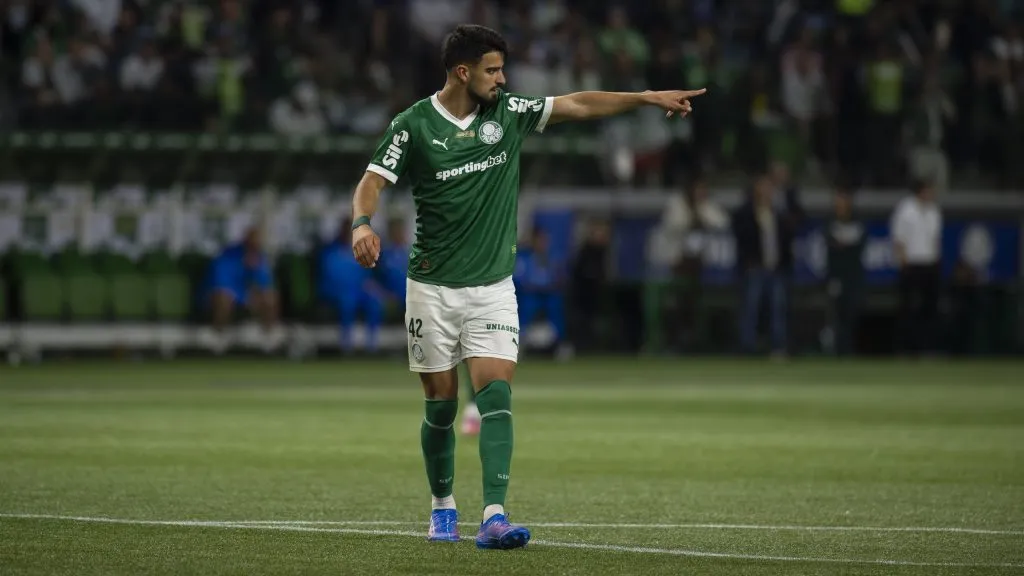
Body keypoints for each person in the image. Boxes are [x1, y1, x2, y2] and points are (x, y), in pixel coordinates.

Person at [348, 24, 705, 549]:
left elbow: (578, 105)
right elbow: (373, 181)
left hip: (492, 287)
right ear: (462, 72)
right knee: (441, 406)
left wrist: (644, 99)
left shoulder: (508, 113)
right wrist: (361, 223)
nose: (502, 78)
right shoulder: (415, 125)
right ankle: (442, 505)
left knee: (495, 395)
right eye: (492, 70)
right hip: (431, 288)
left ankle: (494, 514)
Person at [206, 226, 281, 353]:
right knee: (223, 299)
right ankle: (219, 339)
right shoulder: (227, 257)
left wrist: (255, 288)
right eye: (253, 244)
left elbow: (265, 284)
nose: (256, 248)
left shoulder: (259, 258)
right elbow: (221, 286)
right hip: (218, 298)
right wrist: (245, 297)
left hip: (245, 298)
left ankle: (268, 339)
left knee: (270, 297)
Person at [891, 180, 942, 355]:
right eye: (928, 190)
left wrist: (936, 262)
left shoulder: (934, 211)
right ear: (920, 191)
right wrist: (903, 264)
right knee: (908, 308)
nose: (931, 194)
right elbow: (899, 239)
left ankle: (928, 348)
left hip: (930, 265)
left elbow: (936, 240)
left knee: (929, 308)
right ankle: (906, 348)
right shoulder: (906, 210)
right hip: (911, 265)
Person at [319, 219, 385, 353]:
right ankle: (346, 344)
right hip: (336, 292)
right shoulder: (331, 253)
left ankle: (372, 344)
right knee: (347, 301)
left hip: (358, 291)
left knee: (374, 301)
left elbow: (367, 277)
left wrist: (371, 287)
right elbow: (329, 278)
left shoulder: (360, 251)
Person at [825, 186, 866, 356]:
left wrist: (844, 246)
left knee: (852, 312)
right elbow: (831, 247)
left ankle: (849, 349)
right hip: (836, 276)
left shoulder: (857, 223)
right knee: (836, 314)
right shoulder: (830, 223)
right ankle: (837, 350)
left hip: (853, 276)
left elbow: (859, 246)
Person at [515, 228, 569, 356]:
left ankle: (560, 343)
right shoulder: (524, 257)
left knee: (556, 306)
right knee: (526, 307)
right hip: (531, 293)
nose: (542, 243)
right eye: (539, 240)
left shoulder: (554, 257)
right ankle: (520, 342)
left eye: (544, 240)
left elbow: (561, 277)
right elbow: (519, 278)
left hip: (549, 294)